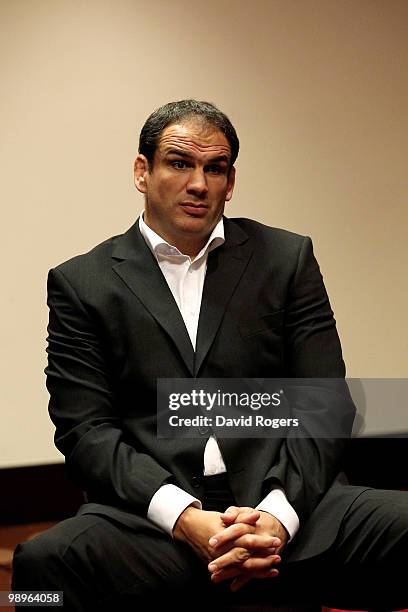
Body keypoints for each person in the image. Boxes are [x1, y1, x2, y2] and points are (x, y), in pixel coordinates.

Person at [13, 100, 408, 610]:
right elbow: (85, 430)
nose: (198, 183)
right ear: (142, 171)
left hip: (292, 507)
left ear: (230, 180)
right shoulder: (83, 282)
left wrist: (276, 519)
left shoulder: (286, 259)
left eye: (214, 168)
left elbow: (325, 404)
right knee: (37, 575)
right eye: (179, 163)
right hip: (155, 522)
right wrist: (185, 518)